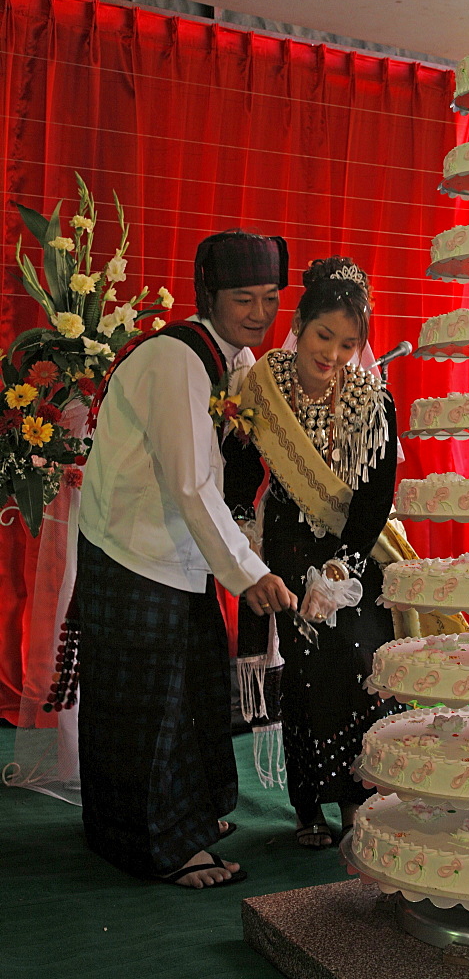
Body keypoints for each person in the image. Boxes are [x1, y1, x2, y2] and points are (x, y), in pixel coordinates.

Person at [74, 230, 298, 888]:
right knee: (148, 701)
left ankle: (189, 813)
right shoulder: (177, 360)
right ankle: (160, 846)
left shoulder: (237, 357)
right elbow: (190, 480)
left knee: (197, 688)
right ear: (211, 295)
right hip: (133, 544)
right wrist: (250, 574)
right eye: (243, 298)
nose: (258, 312)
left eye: (269, 297)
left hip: (183, 545)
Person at [230, 256, 467, 849]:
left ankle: (361, 795)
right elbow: (237, 466)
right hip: (286, 543)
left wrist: (343, 565)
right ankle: (308, 803)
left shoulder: (372, 400)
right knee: (304, 673)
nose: (332, 354)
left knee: (361, 663)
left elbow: (374, 494)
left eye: (348, 343)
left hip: (353, 555)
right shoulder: (263, 385)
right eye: (322, 336)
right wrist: (244, 537)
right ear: (300, 325)